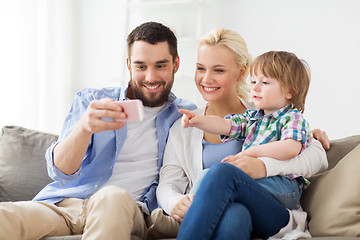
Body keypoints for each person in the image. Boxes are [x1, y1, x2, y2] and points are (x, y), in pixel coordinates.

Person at [0, 21, 196, 240]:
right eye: (141, 67)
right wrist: (84, 128)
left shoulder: (186, 115)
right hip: (67, 206)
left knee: (111, 197)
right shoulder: (93, 100)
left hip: (124, 208)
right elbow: (60, 172)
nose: (150, 77)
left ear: (176, 64)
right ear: (129, 64)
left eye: (160, 66)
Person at [156, 28, 329, 239]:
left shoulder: (271, 112)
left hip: (273, 210)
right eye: (201, 68)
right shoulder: (189, 129)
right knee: (235, 216)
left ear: (241, 72)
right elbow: (168, 183)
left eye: (218, 70)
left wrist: (262, 166)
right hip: (228, 212)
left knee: (220, 172)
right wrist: (175, 203)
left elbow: (316, 157)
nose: (206, 78)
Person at [179, 50, 313, 208]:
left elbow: (291, 148)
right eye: (253, 82)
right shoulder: (253, 118)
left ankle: (202, 206)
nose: (255, 88)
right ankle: (192, 207)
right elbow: (225, 125)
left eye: (265, 83)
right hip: (255, 182)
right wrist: (199, 120)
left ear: (290, 91)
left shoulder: (292, 117)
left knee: (225, 181)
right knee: (207, 175)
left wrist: (250, 153)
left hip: (284, 186)